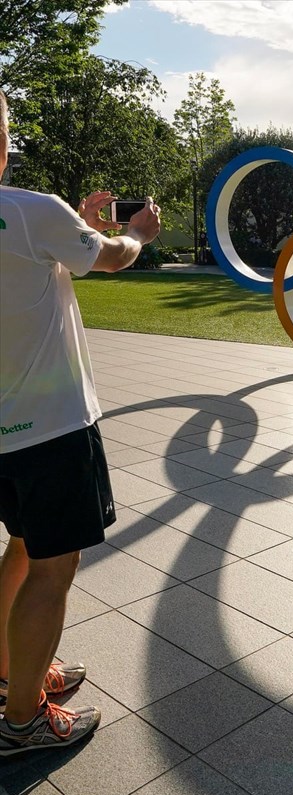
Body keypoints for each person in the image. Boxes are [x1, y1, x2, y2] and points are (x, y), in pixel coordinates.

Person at [0, 88, 161, 755]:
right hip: (50, 430)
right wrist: (137, 233)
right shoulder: (32, 211)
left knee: (19, 549)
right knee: (51, 567)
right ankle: (21, 721)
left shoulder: (36, 218)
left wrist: (80, 225)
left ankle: (14, 674)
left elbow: (56, 257)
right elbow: (113, 257)